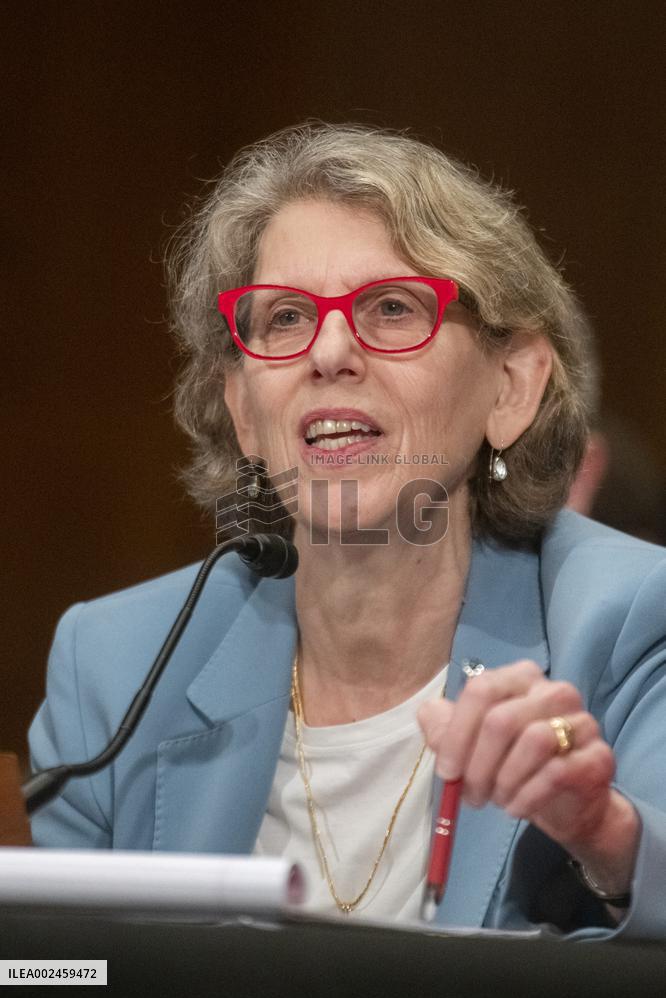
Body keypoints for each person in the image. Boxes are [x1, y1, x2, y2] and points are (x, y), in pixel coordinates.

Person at [29, 123, 666, 939]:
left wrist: (605, 834)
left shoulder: (627, 621)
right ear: (242, 408)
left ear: (511, 385)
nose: (329, 351)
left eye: (392, 309)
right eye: (286, 317)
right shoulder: (115, 667)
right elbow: (49, 973)